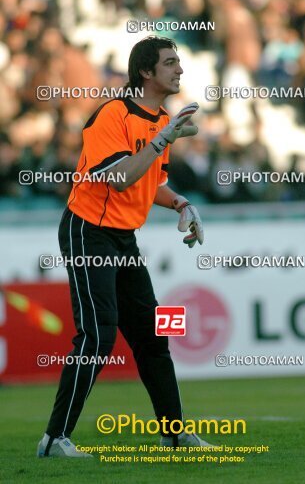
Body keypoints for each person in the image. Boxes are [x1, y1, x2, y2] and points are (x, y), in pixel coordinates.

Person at [37, 36, 208, 458]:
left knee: (155, 335)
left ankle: (173, 434)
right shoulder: (112, 115)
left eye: (179, 62)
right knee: (98, 335)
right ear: (146, 72)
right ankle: (54, 439)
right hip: (87, 230)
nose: (179, 70)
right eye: (170, 63)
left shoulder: (160, 120)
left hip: (123, 236)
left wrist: (181, 203)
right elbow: (120, 178)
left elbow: (151, 184)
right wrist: (162, 139)